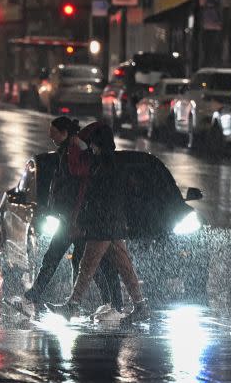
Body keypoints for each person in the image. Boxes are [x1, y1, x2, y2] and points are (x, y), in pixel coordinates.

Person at [60, 124, 148, 324]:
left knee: (87, 266)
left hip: (104, 226)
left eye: (93, 145)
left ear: (99, 145)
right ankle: (141, 306)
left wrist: (82, 221)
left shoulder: (102, 167)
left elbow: (96, 198)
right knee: (125, 268)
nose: (91, 148)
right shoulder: (113, 163)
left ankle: (72, 305)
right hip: (114, 225)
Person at [22, 116, 89, 314]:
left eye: (54, 134)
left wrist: (74, 216)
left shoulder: (74, 153)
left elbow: (75, 187)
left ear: (64, 133)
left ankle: (78, 302)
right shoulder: (66, 152)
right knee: (77, 260)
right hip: (69, 217)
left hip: (73, 218)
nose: (51, 137)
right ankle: (74, 302)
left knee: (75, 259)